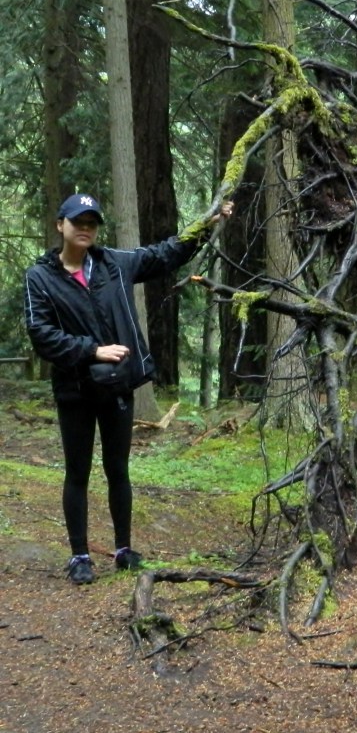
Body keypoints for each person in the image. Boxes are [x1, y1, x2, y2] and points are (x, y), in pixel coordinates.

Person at [23, 192, 233, 585]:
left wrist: (209, 223)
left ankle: (123, 549)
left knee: (118, 469)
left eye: (91, 222)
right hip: (75, 389)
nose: (85, 229)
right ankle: (79, 556)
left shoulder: (112, 265)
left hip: (117, 387)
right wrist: (93, 351)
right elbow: (41, 335)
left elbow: (164, 254)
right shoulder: (40, 277)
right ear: (60, 226)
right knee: (77, 473)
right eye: (77, 221)